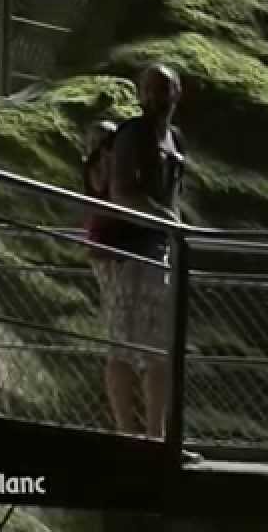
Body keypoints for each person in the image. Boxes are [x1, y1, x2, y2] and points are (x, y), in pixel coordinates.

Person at [91, 64, 186, 437]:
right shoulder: (132, 134)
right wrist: (169, 221)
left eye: (161, 90)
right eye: (147, 90)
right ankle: (127, 433)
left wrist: (175, 228)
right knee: (123, 342)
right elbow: (121, 193)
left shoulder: (175, 138)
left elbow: (174, 194)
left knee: (159, 346)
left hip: (158, 250)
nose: (153, 99)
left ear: (177, 93)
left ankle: (156, 436)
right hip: (127, 251)